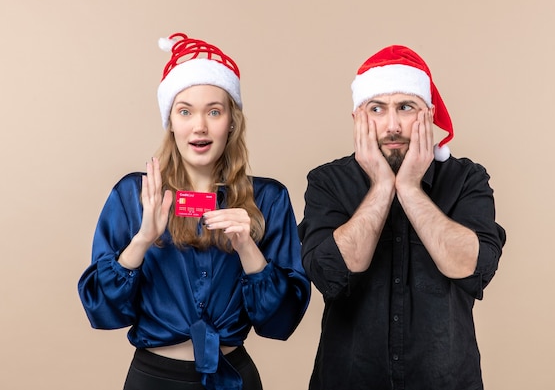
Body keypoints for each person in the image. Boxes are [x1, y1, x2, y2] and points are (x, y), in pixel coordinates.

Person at [78, 32, 311, 390]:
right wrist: (142, 240)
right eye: (185, 111)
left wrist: (247, 247)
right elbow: (101, 311)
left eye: (213, 112)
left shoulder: (269, 198)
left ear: (231, 121)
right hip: (153, 380)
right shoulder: (133, 195)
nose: (199, 126)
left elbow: (280, 323)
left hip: (233, 377)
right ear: (170, 121)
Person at [298, 45, 506, 390]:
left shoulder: (467, 179)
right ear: (357, 119)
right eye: (377, 109)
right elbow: (330, 274)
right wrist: (382, 186)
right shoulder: (327, 182)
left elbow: (472, 266)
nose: (392, 126)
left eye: (406, 107)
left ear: (429, 114)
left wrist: (409, 188)